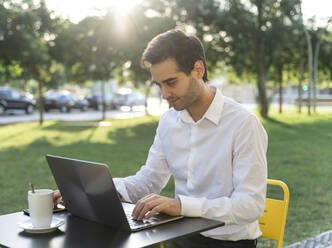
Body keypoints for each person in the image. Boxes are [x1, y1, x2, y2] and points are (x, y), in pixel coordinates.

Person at [55, 29, 267, 248]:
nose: (164, 94)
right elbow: (149, 180)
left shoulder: (243, 124)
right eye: (159, 85)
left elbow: (250, 205)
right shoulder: (169, 121)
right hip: (180, 237)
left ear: (198, 70)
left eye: (171, 82)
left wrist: (181, 206)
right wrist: (90, 190)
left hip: (229, 243)